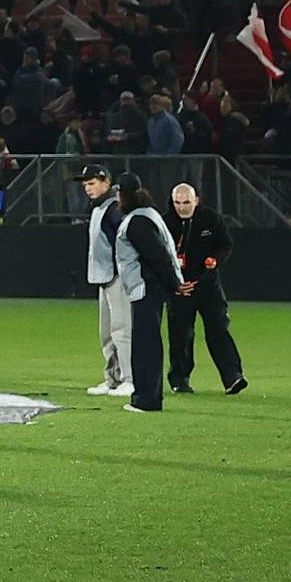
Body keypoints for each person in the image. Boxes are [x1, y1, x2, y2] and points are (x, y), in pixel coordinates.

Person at [166, 181, 249, 395]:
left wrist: (215, 260)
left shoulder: (211, 219)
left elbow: (225, 244)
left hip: (208, 286)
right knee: (181, 336)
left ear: (196, 201)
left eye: (186, 202)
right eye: (177, 203)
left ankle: (233, 377)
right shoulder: (165, 222)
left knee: (219, 329)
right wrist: (172, 282)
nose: (181, 207)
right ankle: (180, 380)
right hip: (180, 289)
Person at [115, 173, 181, 413]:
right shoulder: (148, 214)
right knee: (147, 342)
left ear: (124, 195)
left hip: (146, 287)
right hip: (150, 287)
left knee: (146, 344)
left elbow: (157, 255)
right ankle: (146, 396)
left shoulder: (137, 221)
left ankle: (147, 399)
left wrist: (174, 284)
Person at [80, 163, 133, 395]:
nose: (87, 188)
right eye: (86, 184)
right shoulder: (99, 208)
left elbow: (125, 244)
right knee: (107, 333)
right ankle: (112, 378)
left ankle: (129, 379)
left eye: (92, 183)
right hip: (105, 278)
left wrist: (123, 272)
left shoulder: (114, 209)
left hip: (118, 278)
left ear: (106, 183)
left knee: (122, 330)